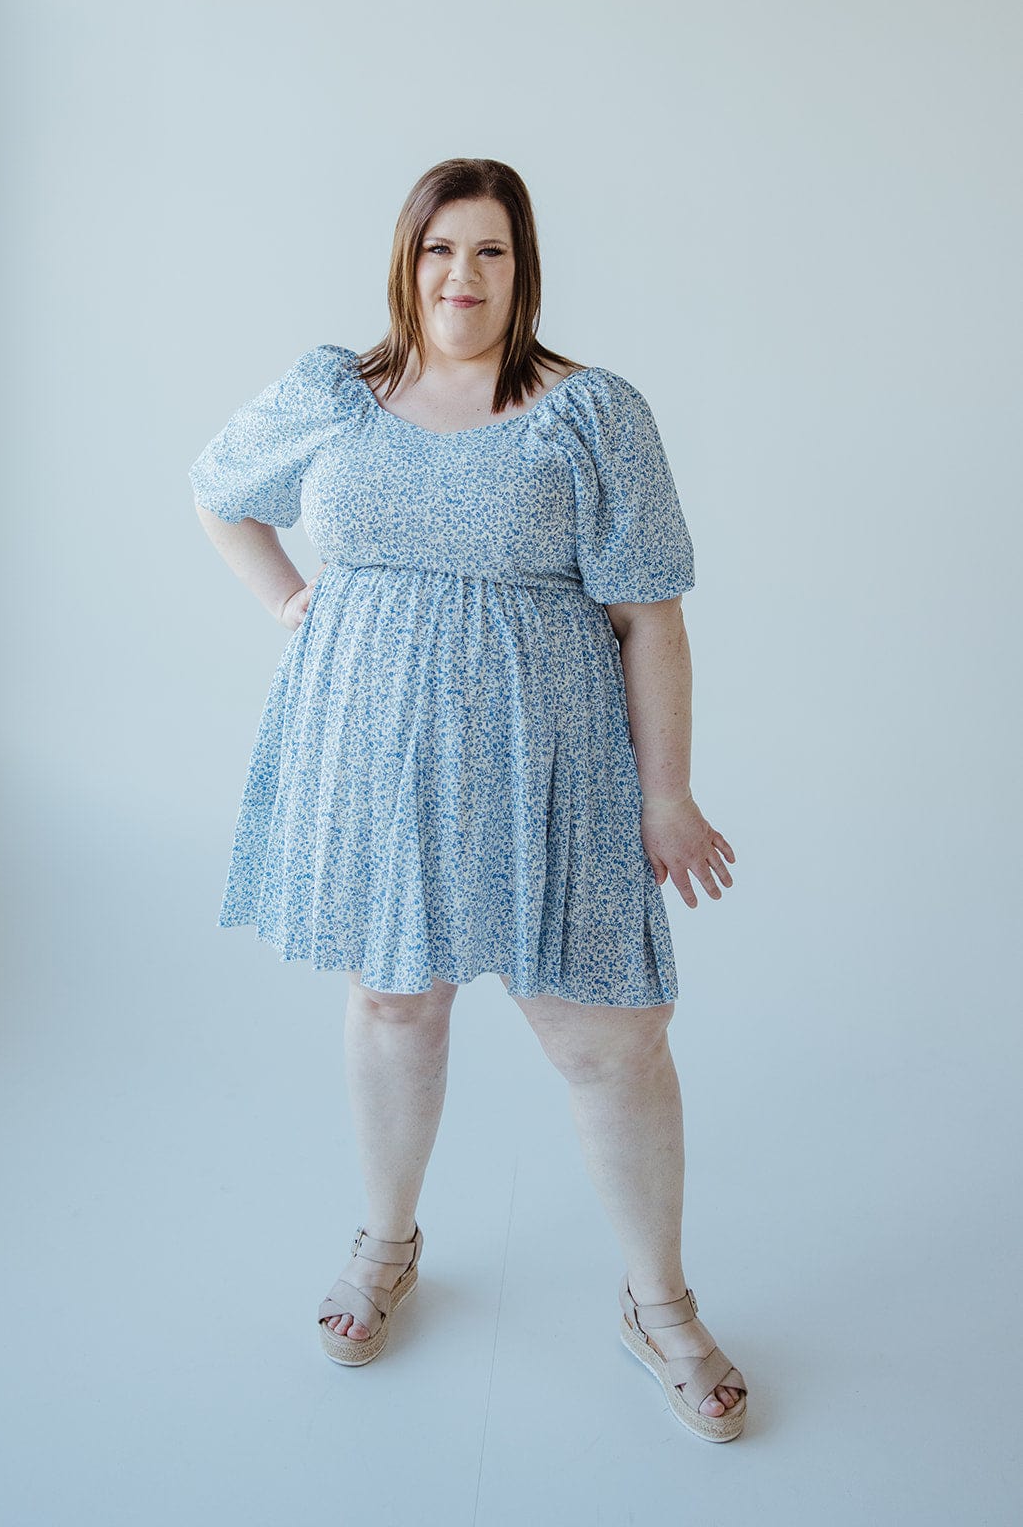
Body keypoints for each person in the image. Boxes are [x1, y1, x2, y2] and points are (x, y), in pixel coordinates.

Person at [189, 157, 748, 1442]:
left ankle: (656, 1303)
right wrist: (288, 601)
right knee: (392, 999)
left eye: (489, 251)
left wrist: (666, 794)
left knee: (611, 1038)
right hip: (374, 757)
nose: (461, 274)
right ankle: (386, 1244)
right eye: (442, 247)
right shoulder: (335, 395)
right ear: (406, 257)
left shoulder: (588, 412)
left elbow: (647, 614)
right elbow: (219, 491)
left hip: (551, 764)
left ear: (522, 267)